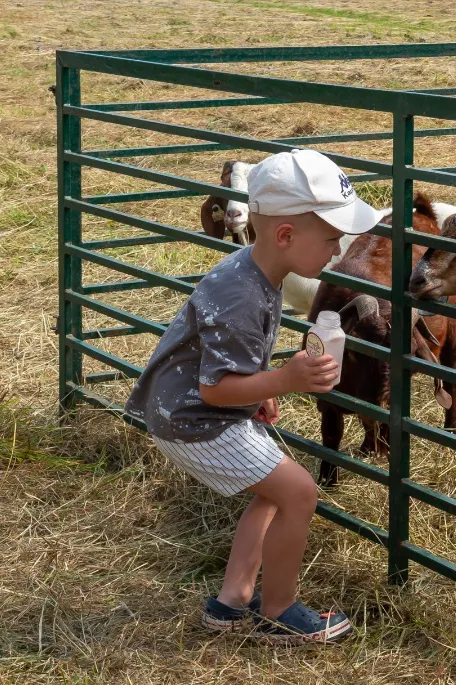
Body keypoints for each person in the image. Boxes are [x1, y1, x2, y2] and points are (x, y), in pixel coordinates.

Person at [125, 149, 380, 644]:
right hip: (194, 418)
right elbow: (215, 388)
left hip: (193, 408)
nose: (336, 251)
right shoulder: (242, 292)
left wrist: (256, 385)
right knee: (299, 492)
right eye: (331, 238)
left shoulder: (256, 270)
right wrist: (282, 380)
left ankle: (232, 601)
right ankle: (279, 612)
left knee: (275, 492)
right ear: (286, 236)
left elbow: (225, 360)